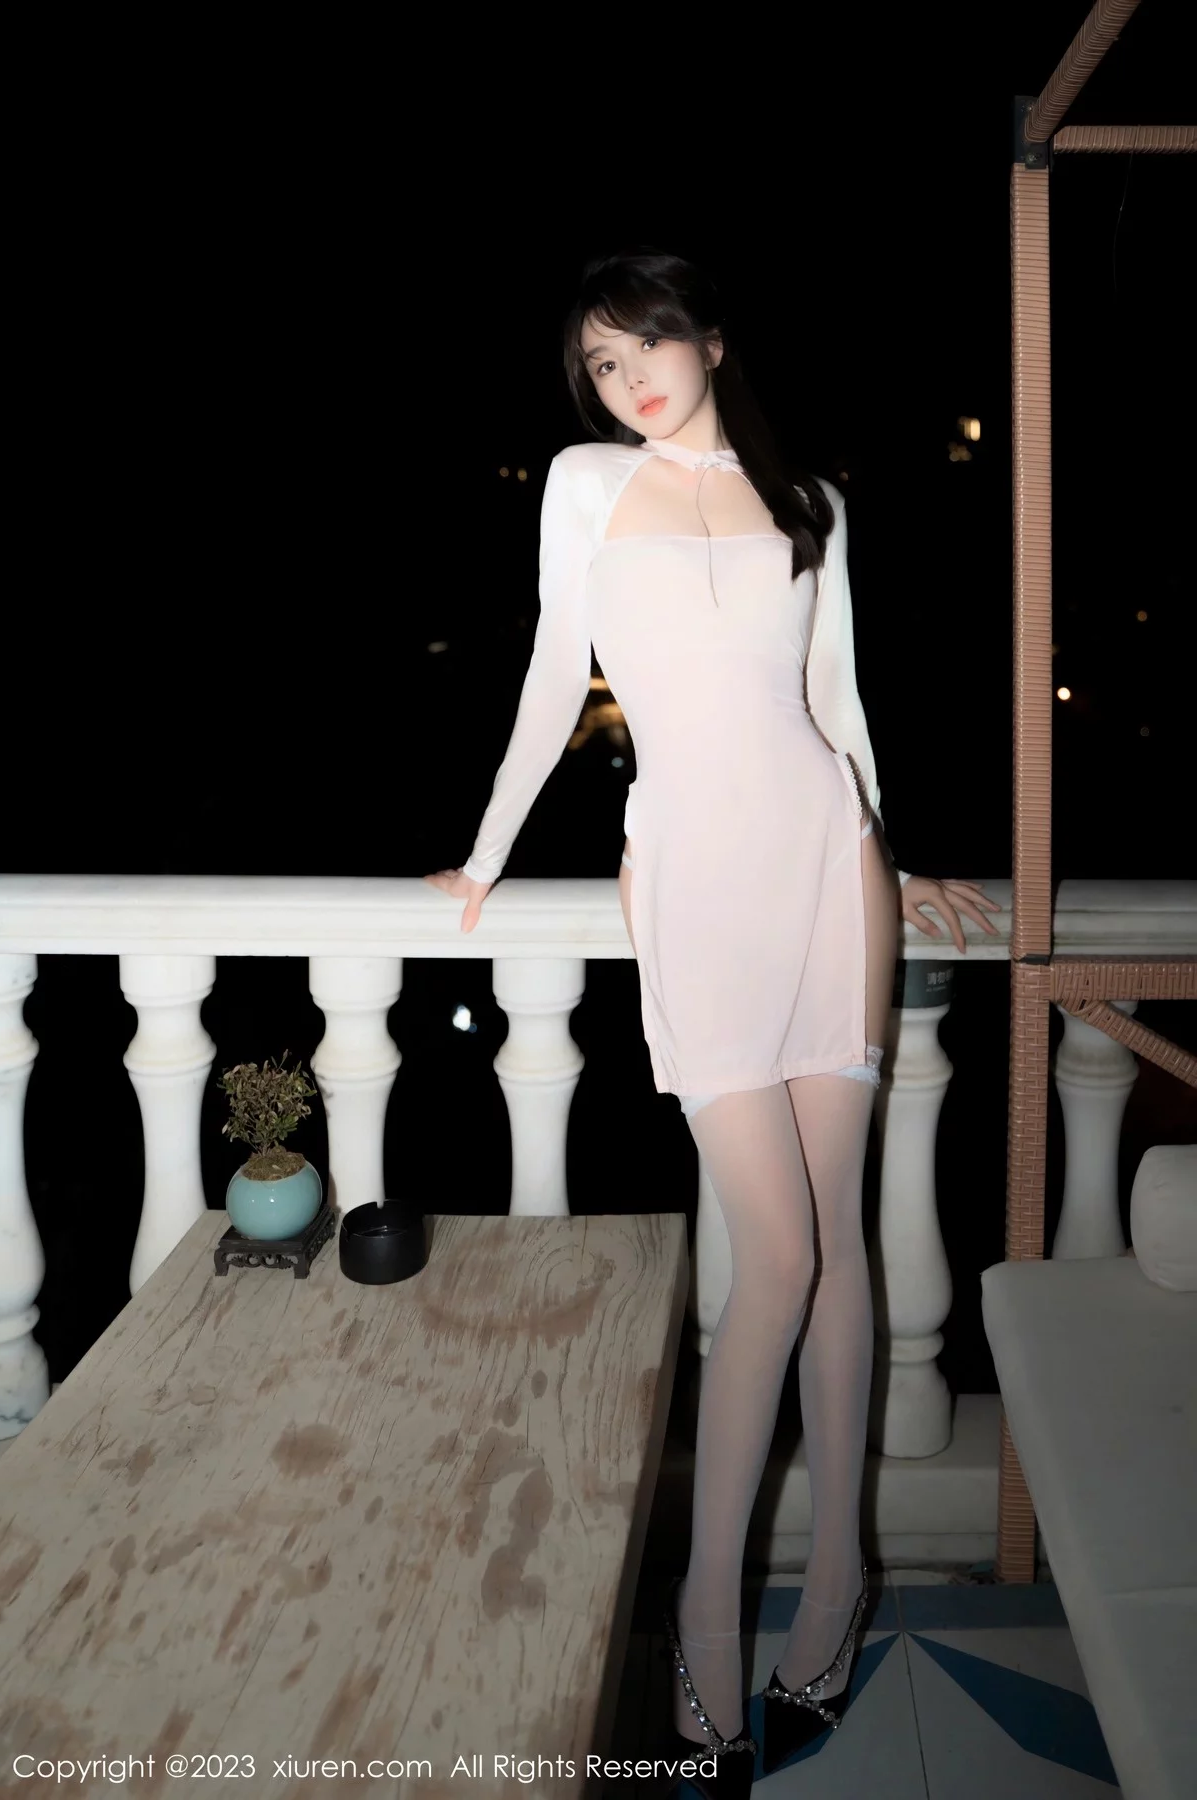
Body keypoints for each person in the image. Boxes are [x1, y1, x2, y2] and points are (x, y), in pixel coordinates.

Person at [425, 249, 1001, 1793]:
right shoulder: (584, 487)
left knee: (840, 1245)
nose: (629, 382)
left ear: (712, 343)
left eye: (648, 349)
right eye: (603, 366)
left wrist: (892, 852)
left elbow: (835, 701)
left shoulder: (808, 502)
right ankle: (704, 1608)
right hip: (689, 882)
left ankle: (833, 1588)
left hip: (832, 873)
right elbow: (553, 674)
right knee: (781, 1254)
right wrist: (484, 855)